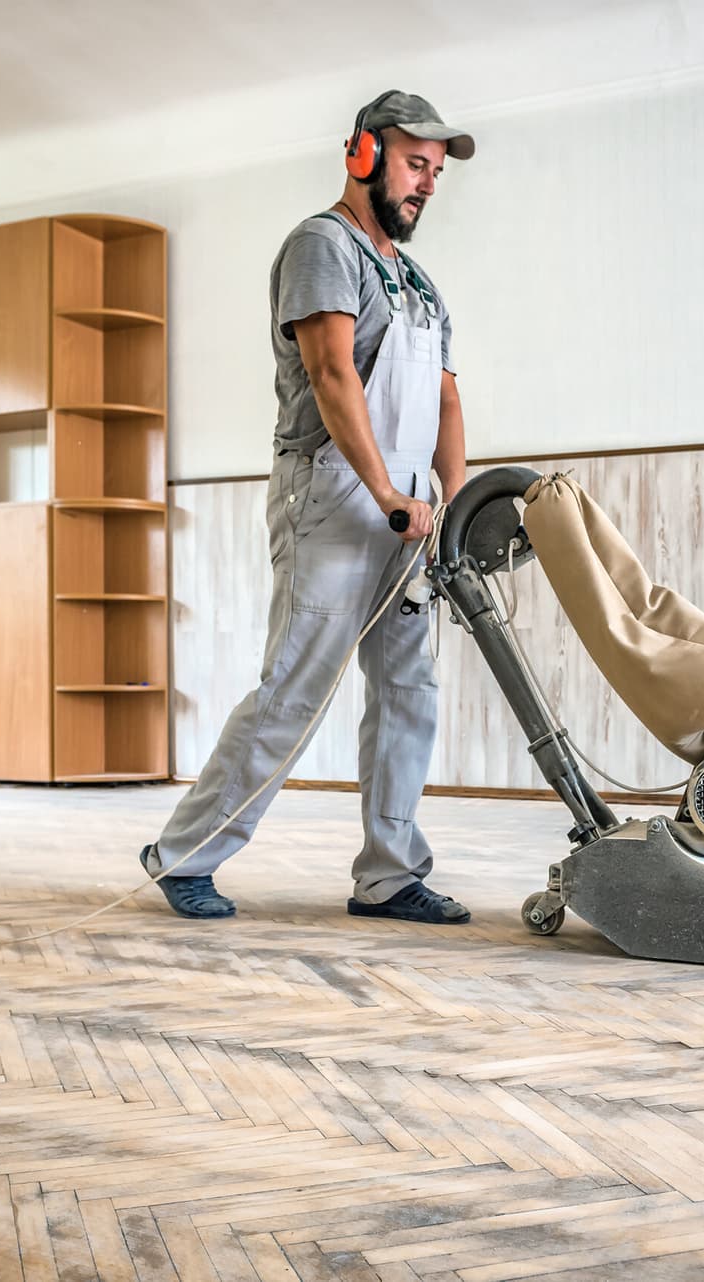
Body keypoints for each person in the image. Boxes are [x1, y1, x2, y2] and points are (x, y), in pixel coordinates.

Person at [139, 91, 475, 924]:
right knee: (295, 687)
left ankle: (390, 874)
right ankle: (183, 853)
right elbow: (333, 377)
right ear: (363, 154)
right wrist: (387, 493)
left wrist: (454, 504)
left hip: (407, 516)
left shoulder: (420, 285)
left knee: (409, 690)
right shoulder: (321, 247)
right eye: (413, 163)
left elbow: (444, 401)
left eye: (435, 172)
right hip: (331, 494)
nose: (426, 183)